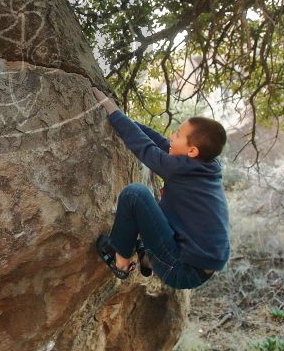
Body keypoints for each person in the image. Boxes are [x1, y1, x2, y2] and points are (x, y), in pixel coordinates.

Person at [90, 86, 230, 290]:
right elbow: (160, 142)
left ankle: (120, 262)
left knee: (135, 195)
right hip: (197, 265)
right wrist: (121, 118)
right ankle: (147, 259)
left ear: (192, 151)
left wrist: (109, 107)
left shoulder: (180, 168)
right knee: (156, 205)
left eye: (179, 135)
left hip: (182, 270)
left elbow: (145, 148)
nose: (172, 137)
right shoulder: (205, 165)